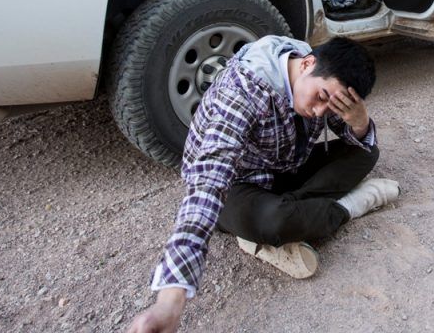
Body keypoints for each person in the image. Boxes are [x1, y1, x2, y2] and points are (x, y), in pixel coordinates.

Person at [128, 36, 400, 332]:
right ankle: (348, 206)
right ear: (308, 64)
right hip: (236, 186)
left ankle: (286, 217)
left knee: (365, 150)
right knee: (276, 219)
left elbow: (346, 129)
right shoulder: (242, 92)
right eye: (321, 98)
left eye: (331, 106)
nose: (321, 112)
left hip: (281, 166)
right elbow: (208, 185)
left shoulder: (312, 75)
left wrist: (359, 121)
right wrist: (171, 298)